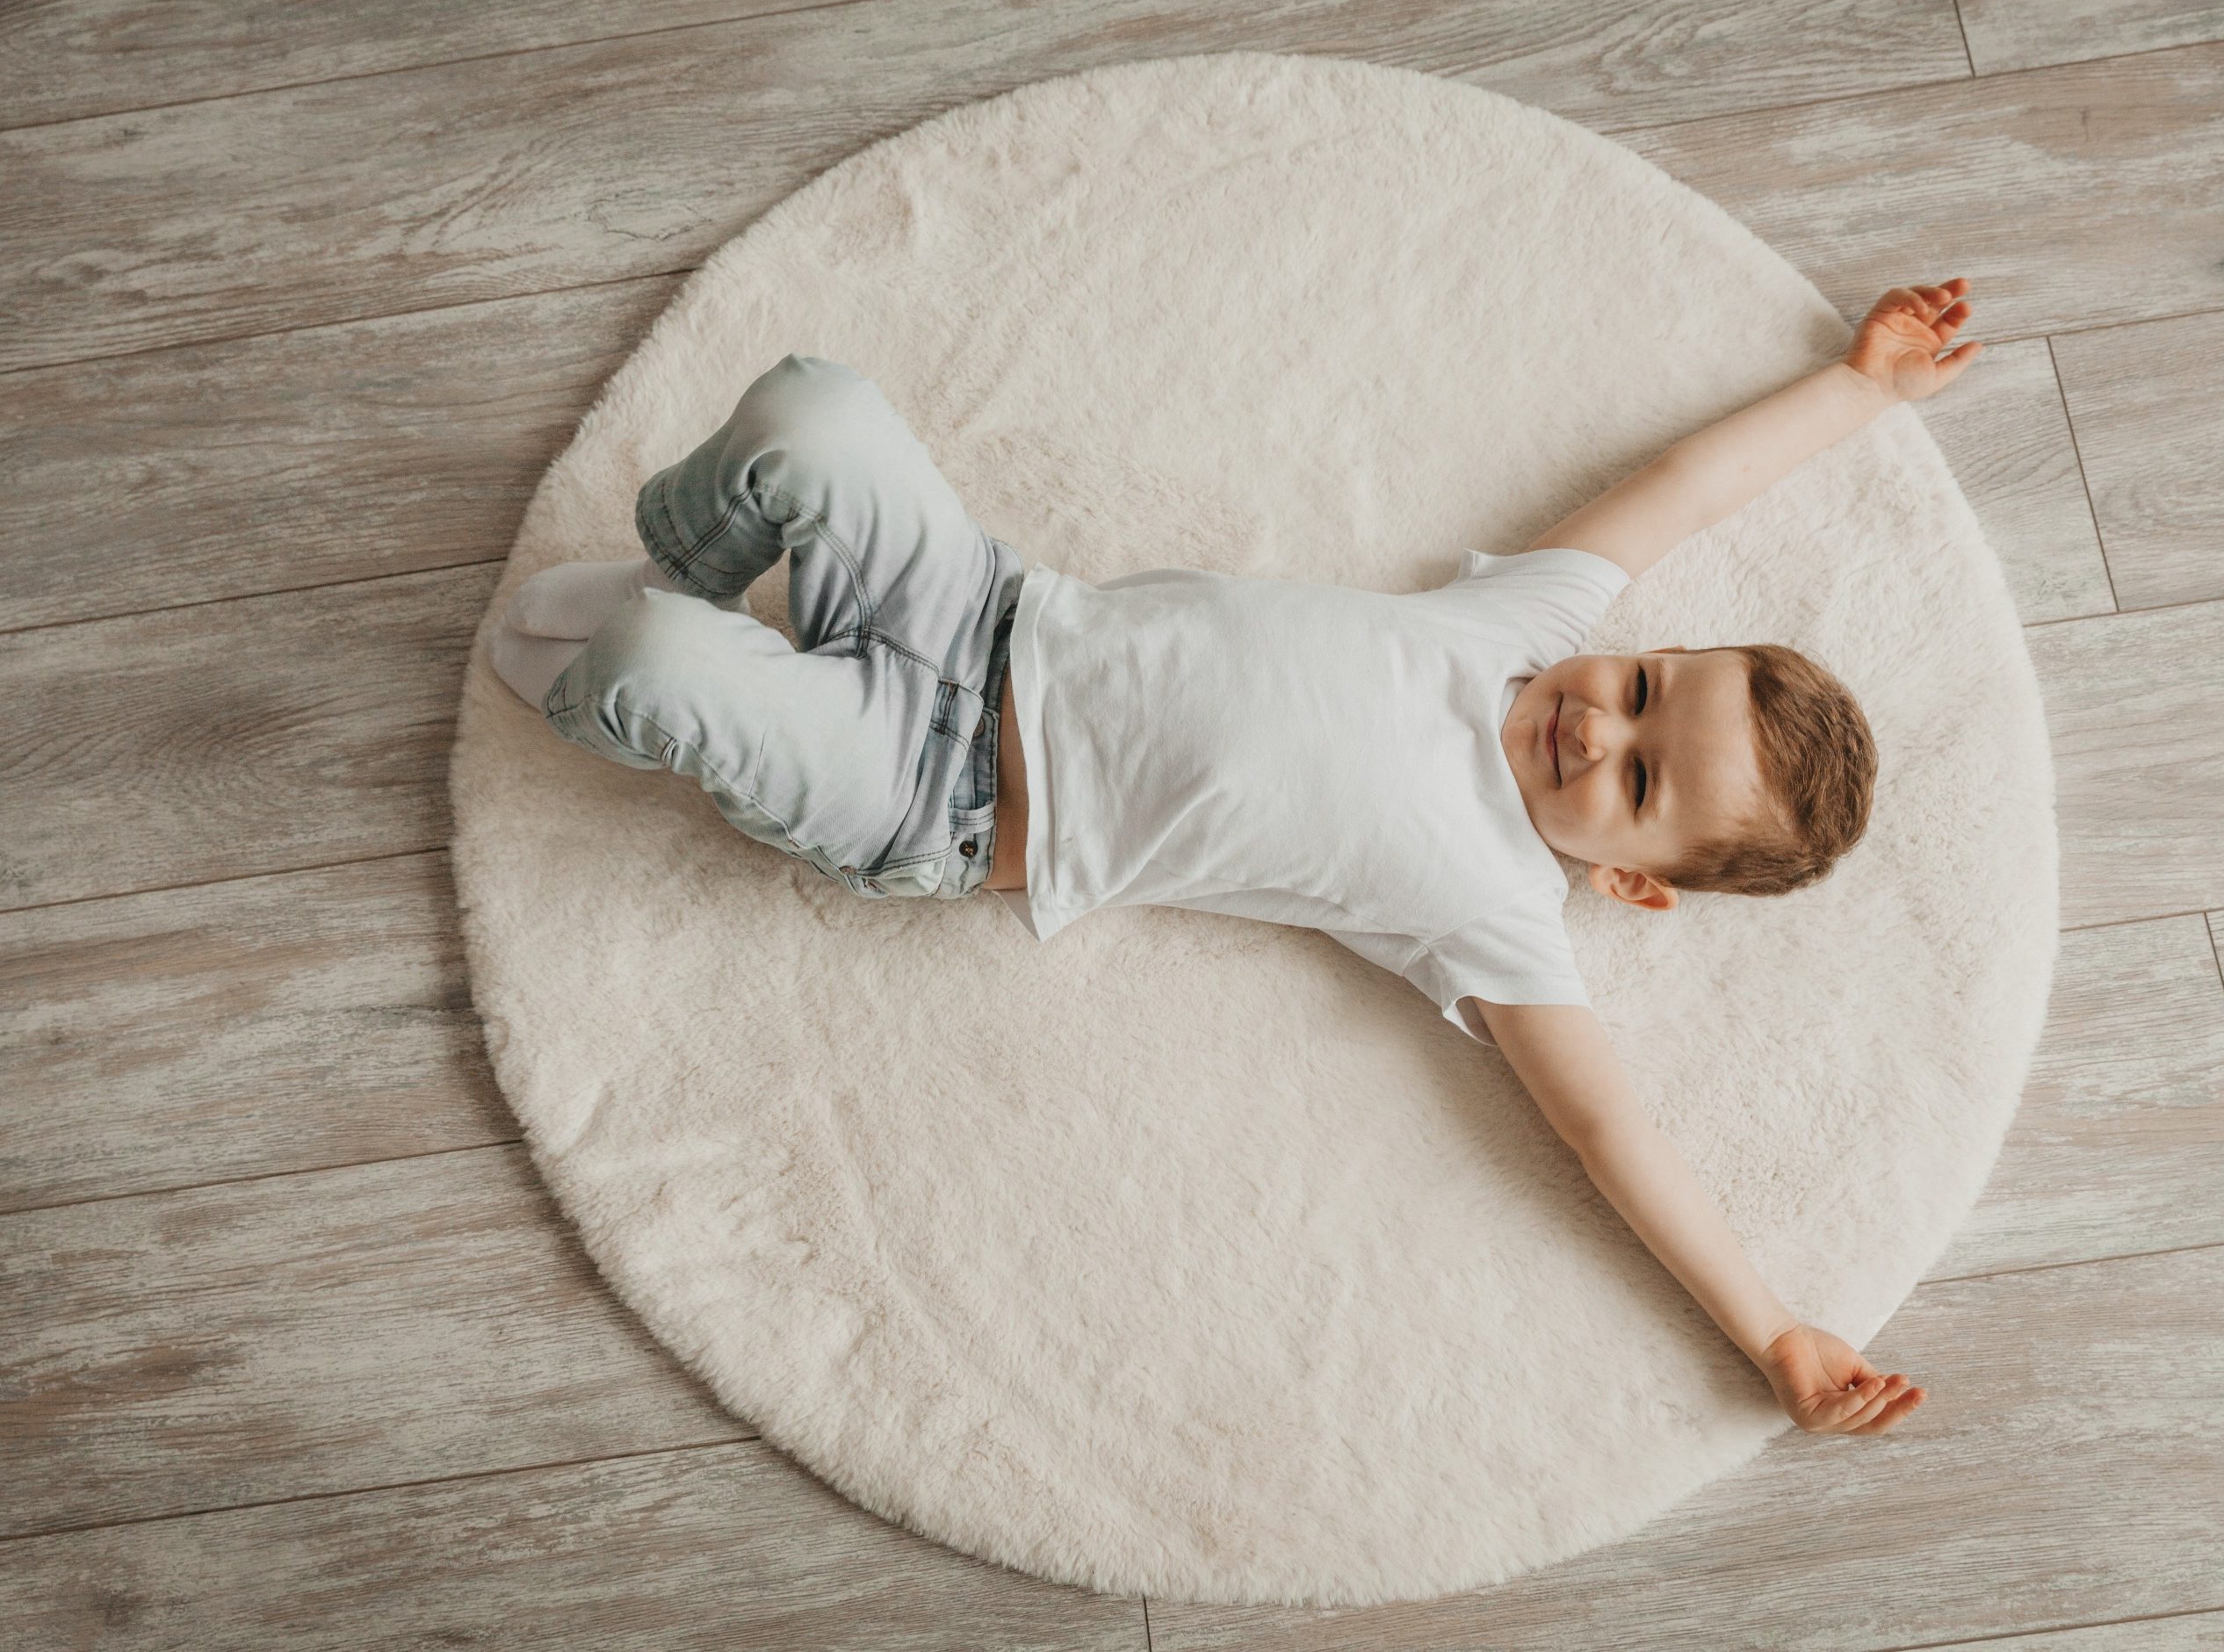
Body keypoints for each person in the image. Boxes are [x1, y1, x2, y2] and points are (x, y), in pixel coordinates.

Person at [489, 278, 1984, 1438]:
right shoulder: (1521, 630)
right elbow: (1694, 483)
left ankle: (654, 661)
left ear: (1633, 883)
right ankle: (677, 573)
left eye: (1640, 781)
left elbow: (1613, 1138)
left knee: (643, 667)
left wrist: (1771, 1329)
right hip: (981, 604)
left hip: (930, 795)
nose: (1600, 730)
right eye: (1644, 688)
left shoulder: (1499, 915)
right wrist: (1857, 387)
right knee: (815, 407)